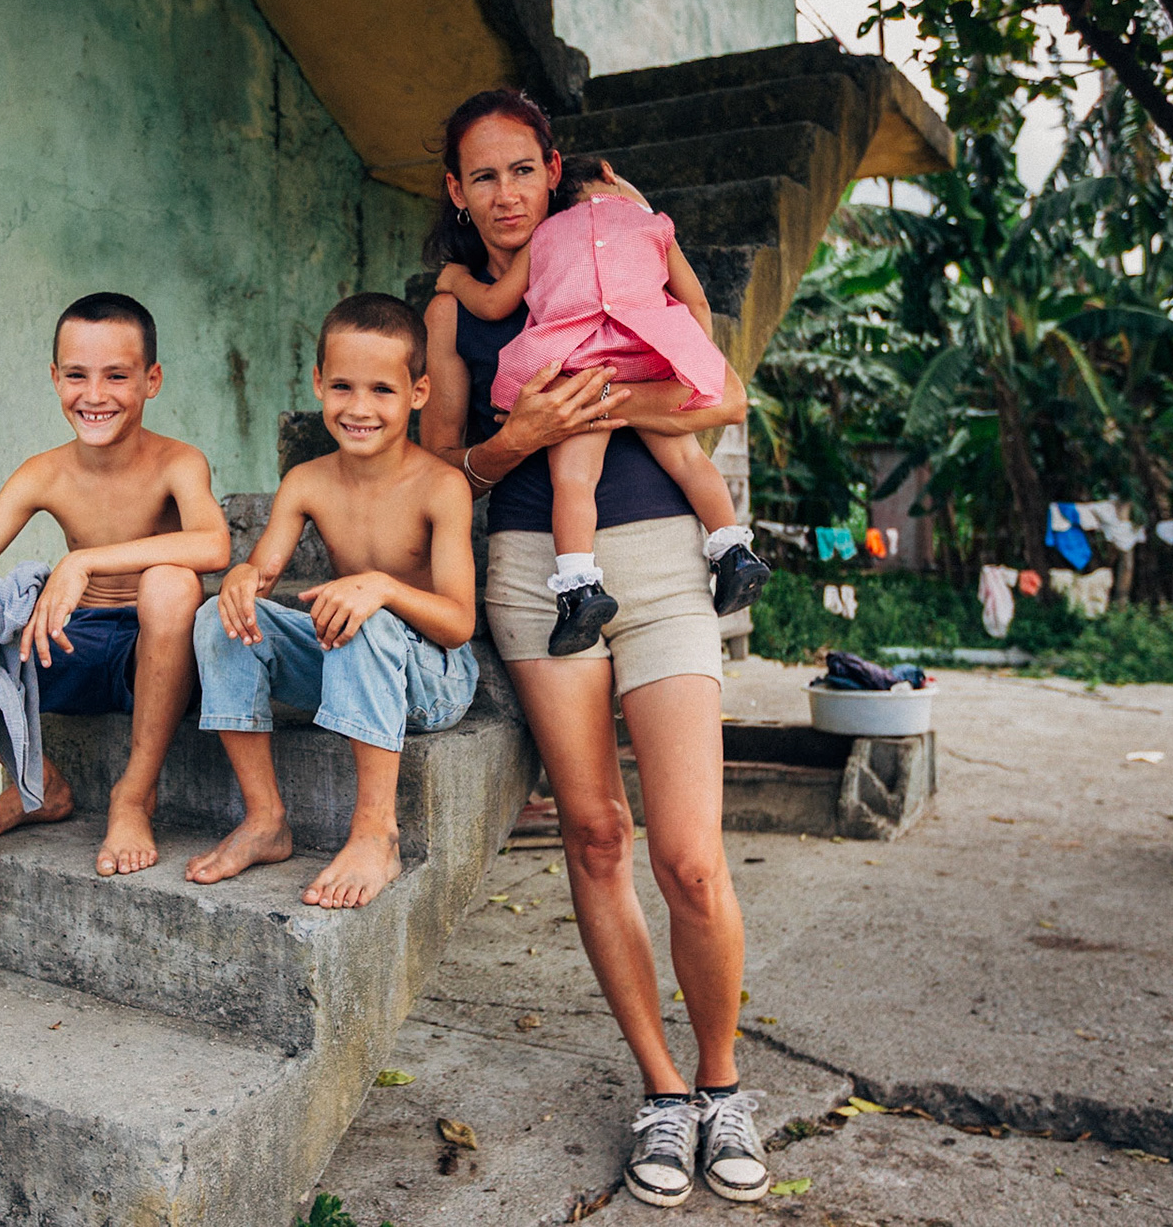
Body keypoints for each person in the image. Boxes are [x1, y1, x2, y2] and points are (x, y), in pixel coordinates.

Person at [419, 90, 769, 1208]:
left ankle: (723, 1082)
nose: (506, 194)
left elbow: (727, 393)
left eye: (522, 169)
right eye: (483, 176)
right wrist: (515, 438)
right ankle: (663, 1089)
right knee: (596, 831)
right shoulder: (458, 308)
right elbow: (438, 463)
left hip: (665, 566)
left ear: (552, 168)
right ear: (455, 192)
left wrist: (612, 395)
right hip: (536, 571)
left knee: (693, 858)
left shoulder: (611, 248)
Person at [0, 292, 230, 878]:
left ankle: (133, 796)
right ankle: (40, 780)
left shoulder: (178, 462)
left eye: (117, 376)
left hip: (154, 658)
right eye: (77, 376)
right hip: (64, 646)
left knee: (171, 584)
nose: (95, 395)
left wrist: (85, 562)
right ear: (55, 378)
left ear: (151, 380)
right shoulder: (44, 473)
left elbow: (214, 545)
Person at [188, 293, 479, 910]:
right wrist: (241, 577)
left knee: (365, 615)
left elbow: (458, 624)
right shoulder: (308, 481)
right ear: (318, 383)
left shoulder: (441, 487)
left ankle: (377, 833)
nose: (359, 408)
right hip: (348, 661)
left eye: (382, 390)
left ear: (418, 393)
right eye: (343, 387)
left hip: (431, 679)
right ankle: (266, 819)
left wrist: (386, 587)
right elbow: (261, 576)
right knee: (218, 616)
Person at [435, 154, 768, 655]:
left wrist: (454, 280)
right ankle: (733, 549)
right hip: (651, 357)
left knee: (572, 480)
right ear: (611, 174)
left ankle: (578, 586)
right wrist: (684, 355)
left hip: (580, 369)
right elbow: (697, 301)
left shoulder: (545, 235)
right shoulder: (652, 224)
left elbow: (495, 303)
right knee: (687, 458)